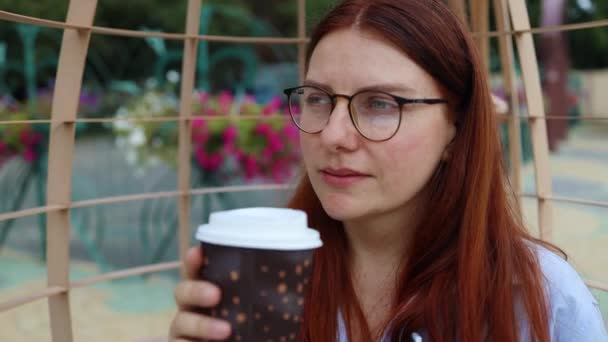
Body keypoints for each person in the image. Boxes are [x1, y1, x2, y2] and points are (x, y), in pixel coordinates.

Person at [169, 0, 608, 341]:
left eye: (380, 104)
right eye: (318, 98)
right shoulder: (273, 278)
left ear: (456, 128)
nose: (335, 135)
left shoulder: (539, 301)